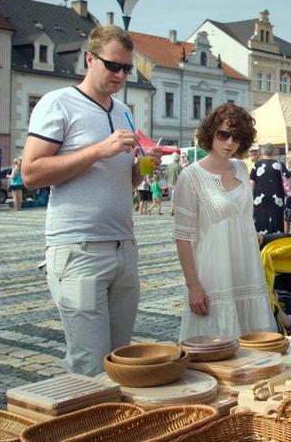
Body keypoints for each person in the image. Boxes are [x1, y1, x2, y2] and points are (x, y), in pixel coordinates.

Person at [22, 24, 162, 375]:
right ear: (89, 59)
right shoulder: (59, 102)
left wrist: (142, 168)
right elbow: (31, 173)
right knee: (89, 364)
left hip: (122, 245)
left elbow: (125, 181)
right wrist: (101, 149)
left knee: (121, 360)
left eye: (127, 69)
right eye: (113, 65)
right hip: (78, 246)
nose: (120, 74)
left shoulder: (123, 111)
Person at [173, 103, 275, 341]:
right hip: (213, 275)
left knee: (255, 348)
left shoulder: (241, 168)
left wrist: (251, 232)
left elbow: (243, 215)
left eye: (237, 137)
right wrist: (193, 286)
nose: (229, 142)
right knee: (216, 350)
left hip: (246, 269)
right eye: (223, 134)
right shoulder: (191, 176)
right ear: (211, 133)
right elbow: (182, 237)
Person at [251, 143, 288, 235]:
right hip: (277, 194)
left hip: (260, 195)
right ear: (273, 151)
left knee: (261, 216)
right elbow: (289, 178)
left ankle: (261, 237)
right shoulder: (279, 164)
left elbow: (252, 182)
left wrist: (250, 197)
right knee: (277, 216)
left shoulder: (257, 164)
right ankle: (277, 237)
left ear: (262, 152)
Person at [165, 151, 182, 216]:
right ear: (178, 159)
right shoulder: (179, 167)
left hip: (169, 183)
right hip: (177, 184)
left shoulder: (169, 166)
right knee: (176, 198)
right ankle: (173, 210)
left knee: (172, 198)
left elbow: (165, 175)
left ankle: (172, 209)